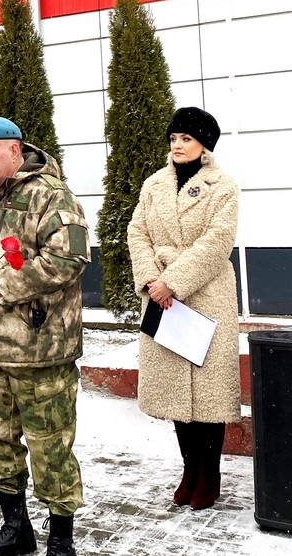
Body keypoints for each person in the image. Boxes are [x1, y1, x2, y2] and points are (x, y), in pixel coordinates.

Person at [0, 117, 90, 556]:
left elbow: (70, 258)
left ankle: (60, 541)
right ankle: (16, 529)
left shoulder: (51, 195)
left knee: (51, 449)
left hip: (39, 350)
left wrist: (2, 286)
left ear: (14, 150)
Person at [127, 106, 240, 511]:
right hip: (162, 297)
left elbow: (217, 242)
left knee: (208, 394)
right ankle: (190, 470)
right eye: (174, 138)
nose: (177, 145)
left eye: (186, 138)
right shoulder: (154, 184)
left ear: (204, 144)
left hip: (207, 295)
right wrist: (150, 280)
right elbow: (137, 232)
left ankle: (210, 473)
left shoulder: (222, 186)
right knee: (176, 390)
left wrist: (172, 281)